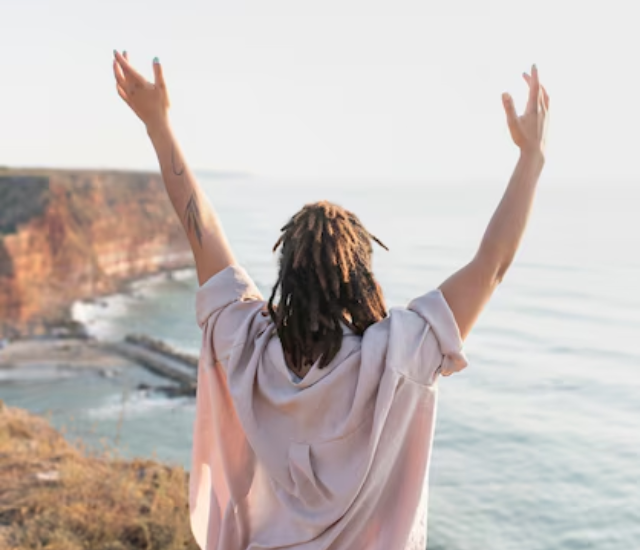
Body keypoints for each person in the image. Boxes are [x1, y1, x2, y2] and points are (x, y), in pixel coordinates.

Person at [113, 51, 549, 550]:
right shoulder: (402, 353)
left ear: (286, 276)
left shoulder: (246, 347)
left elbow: (201, 229)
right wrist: (531, 157)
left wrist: (158, 124)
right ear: (361, 273)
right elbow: (492, 264)